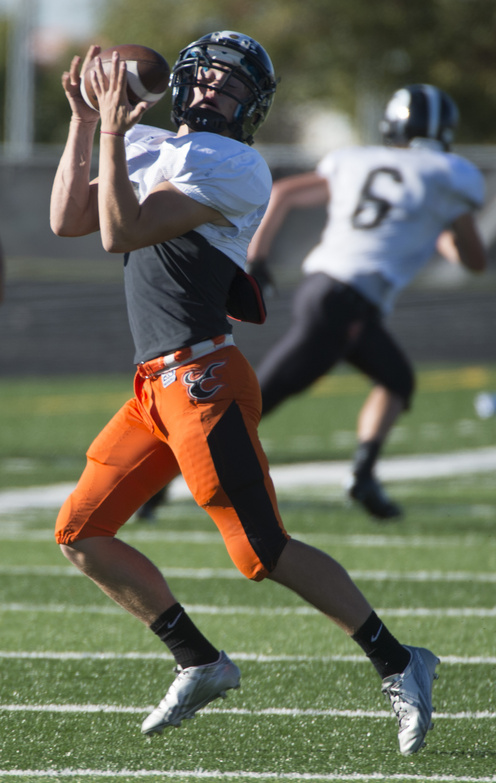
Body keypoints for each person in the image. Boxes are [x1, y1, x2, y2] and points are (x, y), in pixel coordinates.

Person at [50, 33, 439, 755]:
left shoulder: (237, 165)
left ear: (252, 105)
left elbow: (119, 233)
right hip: (153, 391)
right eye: (205, 81)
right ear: (183, 83)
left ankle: (400, 659)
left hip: (203, 382)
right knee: (80, 530)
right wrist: (83, 121)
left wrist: (110, 130)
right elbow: (68, 218)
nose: (213, 95)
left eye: (232, 87)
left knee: (261, 549)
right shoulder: (155, 141)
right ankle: (200, 659)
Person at [247, 84, 487, 520]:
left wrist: (257, 260)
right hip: (347, 300)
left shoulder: (354, 160)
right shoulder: (448, 174)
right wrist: (443, 231)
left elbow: (282, 194)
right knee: (259, 399)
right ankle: (161, 479)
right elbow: (473, 259)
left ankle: (363, 475)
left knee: (396, 379)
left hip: (328, 290)